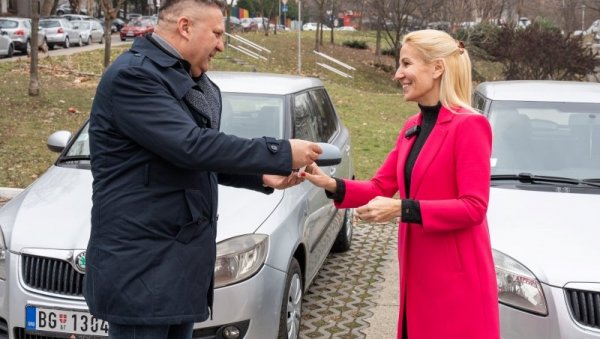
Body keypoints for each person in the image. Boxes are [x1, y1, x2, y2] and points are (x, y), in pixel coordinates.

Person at [83, 0, 322, 338]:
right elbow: (190, 145)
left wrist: (260, 175)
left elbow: (192, 157)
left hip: (176, 268)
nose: (222, 45)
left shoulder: (189, 79)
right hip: (142, 272)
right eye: (217, 33)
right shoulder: (134, 76)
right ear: (185, 27)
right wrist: (280, 152)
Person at [302, 29, 499, 339]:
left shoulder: (470, 126)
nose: (398, 74)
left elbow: (473, 207)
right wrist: (329, 183)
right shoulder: (412, 127)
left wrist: (402, 209)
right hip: (417, 280)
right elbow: (380, 186)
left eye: (406, 64)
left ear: (437, 69)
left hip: (456, 286)